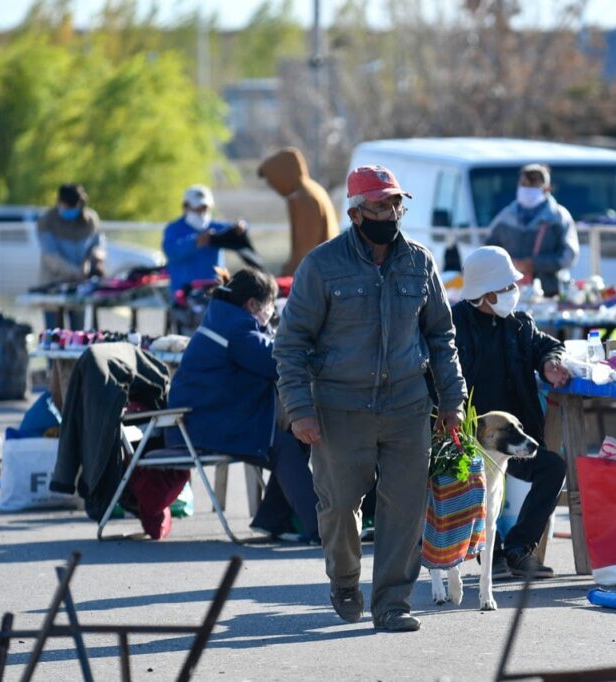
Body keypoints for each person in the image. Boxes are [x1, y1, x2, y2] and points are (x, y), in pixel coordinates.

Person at [274, 164, 467, 633]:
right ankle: (344, 579)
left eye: (396, 203)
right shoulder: (321, 265)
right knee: (339, 506)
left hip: (407, 407)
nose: (391, 212)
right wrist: (299, 410)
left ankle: (392, 604)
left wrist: (452, 401)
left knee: (403, 509)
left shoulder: (420, 262)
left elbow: (441, 337)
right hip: (339, 409)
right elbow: (291, 342)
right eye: (381, 205)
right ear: (357, 213)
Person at [166, 268, 320, 543]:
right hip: (207, 423)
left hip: (212, 415)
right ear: (252, 304)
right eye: (271, 307)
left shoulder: (226, 318)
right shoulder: (237, 329)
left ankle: (273, 520)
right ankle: (323, 528)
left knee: (294, 439)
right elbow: (275, 362)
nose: (272, 315)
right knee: (286, 445)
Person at [452, 246, 570, 579]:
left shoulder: (519, 324)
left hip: (514, 438)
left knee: (553, 468)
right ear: (486, 294)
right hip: (469, 437)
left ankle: (518, 549)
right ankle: (493, 552)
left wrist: (550, 362)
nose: (513, 293)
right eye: (507, 288)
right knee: (473, 484)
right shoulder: (452, 325)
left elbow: (546, 345)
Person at [162, 185, 248, 333]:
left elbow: (239, 230)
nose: (202, 213)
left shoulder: (215, 226)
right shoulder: (174, 229)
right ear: (186, 206)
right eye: (198, 208)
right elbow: (171, 250)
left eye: (205, 209)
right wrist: (195, 242)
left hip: (214, 297)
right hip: (184, 300)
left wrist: (242, 228)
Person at [486, 164, 579, 297]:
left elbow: (568, 256)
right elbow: (488, 250)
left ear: (546, 188)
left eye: (533, 185)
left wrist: (535, 263)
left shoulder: (559, 218)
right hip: (509, 294)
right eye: (524, 184)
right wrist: (509, 263)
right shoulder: (505, 217)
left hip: (550, 293)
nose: (527, 189)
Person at [258, 147, 340, 277]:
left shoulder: (303, 198)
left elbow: (305, 252)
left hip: (317, 278)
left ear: (282, 175)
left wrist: (286, 276)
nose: (272, 186)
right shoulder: (311, 189)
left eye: (271, 181)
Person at [37, 183, 106, 330]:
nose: (70, 210)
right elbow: (52, 258)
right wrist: (78, 272)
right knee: (54, 339)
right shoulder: (46, 221)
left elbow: (98, 244)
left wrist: (96, 260)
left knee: (78, 337)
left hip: (79, 289)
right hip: (53, 287)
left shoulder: (90, 220)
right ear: (59, 203)